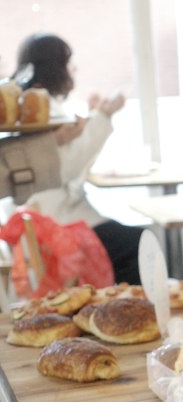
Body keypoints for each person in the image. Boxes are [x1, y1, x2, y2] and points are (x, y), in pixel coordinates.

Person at [14, 33, 143, 284]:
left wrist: (95, 118)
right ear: (55, 67)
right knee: (138, 243)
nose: (73, 70)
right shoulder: (43, 108)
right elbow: (67, 167)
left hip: (51, 217)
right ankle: (131, 315)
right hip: (59, 221)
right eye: (68, 63)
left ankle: (122, 310)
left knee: (135, 240)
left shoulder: (35, 105)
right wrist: (103, 116)